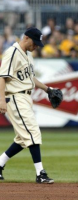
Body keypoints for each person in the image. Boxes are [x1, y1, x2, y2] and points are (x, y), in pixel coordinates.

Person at [0, 27, 55, 183]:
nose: (36, 46)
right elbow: (2, 77)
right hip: (15, 97)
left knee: (23, 138)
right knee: (33, 132)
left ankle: (0, 163)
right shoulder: (12, 53)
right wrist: (1, 100)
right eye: (35, 42)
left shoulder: (28, 54)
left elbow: (31, 79)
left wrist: (48, 89)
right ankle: (40, 174)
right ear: (26, 38)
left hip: (26, 98)